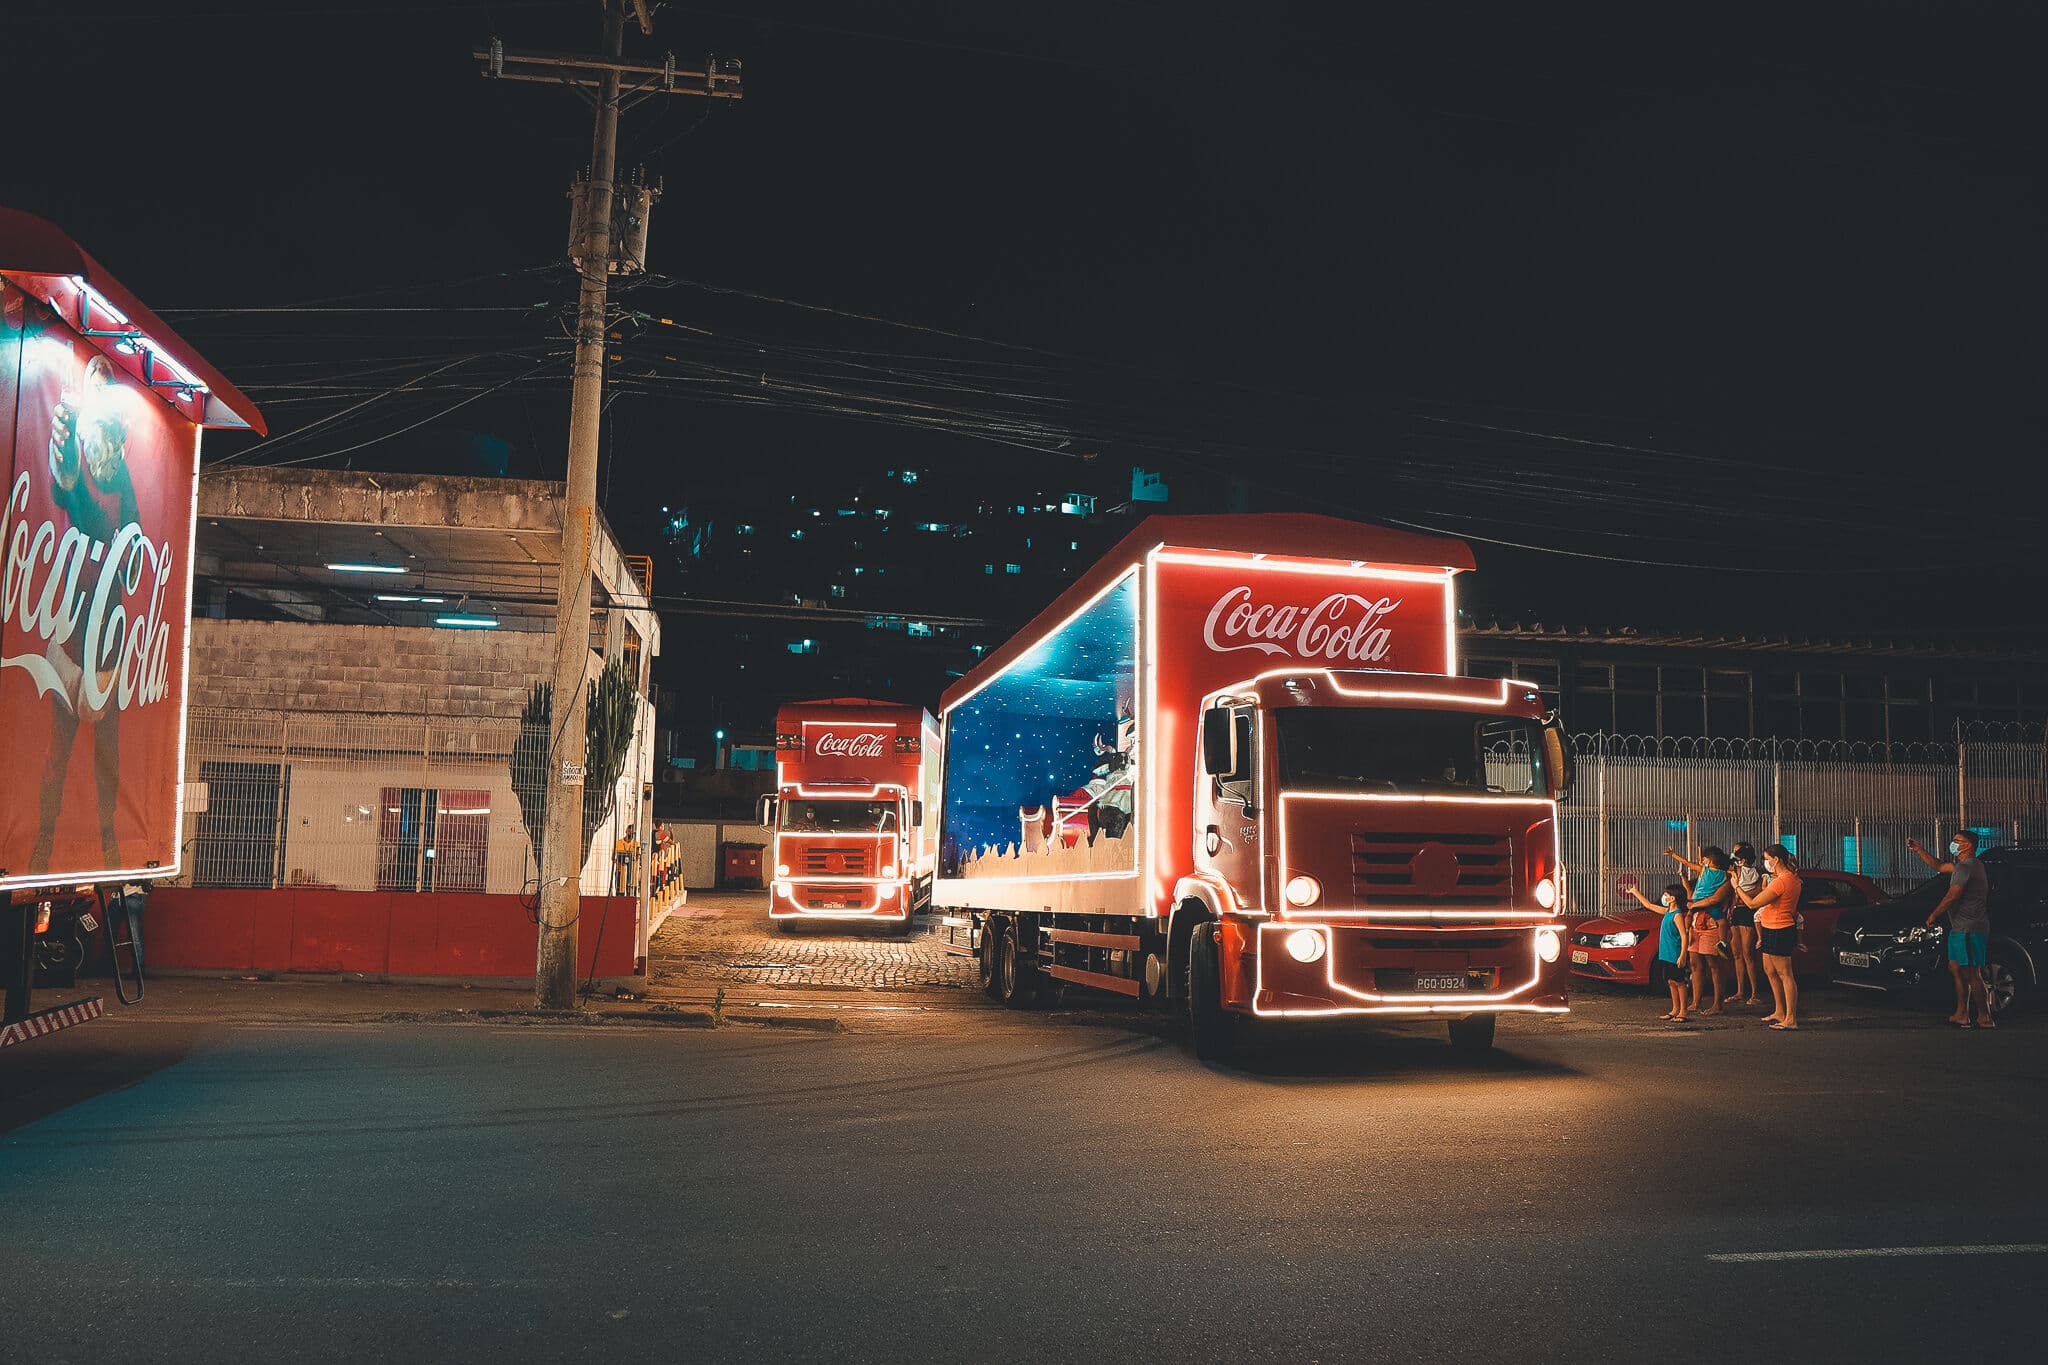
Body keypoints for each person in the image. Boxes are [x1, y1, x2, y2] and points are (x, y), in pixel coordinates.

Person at [1906, 831, 1994, 1028]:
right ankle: (1962, 1013)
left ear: (1968, 845)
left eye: (1957, 841)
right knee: (1955, 968)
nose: (1953, 844)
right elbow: (1939, 866)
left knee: (1972, 972)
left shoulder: (1966, 867)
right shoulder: (1968, 866)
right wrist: (1919, 850)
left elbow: (1953, 895)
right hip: (1960, 928)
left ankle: (1985, 1016)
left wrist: (1934, 915)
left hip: (1969, 928)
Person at [1735, 844, 1804, 1030]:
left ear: (1776, 860)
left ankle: (1790, 1018)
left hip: (1780, 928)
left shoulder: (1783, 881)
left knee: (1785, 974)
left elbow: (1752, 903)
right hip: (1769, 927)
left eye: (1767, 859)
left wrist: (1737, 887)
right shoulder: (1788, 879)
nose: (1765, 862)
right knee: (1770, 971)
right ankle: (1779, 1011)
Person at [1665, 845, 1733, 1015]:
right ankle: (1696, 1002)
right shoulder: (1706, 875)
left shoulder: (1725, 878)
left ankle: (1717, 1004)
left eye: (1703, 859)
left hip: (1710, 925)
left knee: (1714, 965)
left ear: (1709, 860)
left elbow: (1715, 899)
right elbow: (1690, 870)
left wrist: (1694, 905)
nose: (1701, 862)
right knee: (1695, 964)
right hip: (1697, 922)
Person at [1626, 881, 1692, 1021]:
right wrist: (1635, 892)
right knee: (1671, 982)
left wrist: (1682, 955)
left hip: (1674, 953)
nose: (1664, 897)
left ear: (1673, 898)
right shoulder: (1667, 912)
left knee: (1679, 983)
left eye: (1666, 895)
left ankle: (1683, 1012)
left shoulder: (1677, 915)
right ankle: (1675, 1009)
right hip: (1666, 953)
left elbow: (1684, 935)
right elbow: (1649, 905)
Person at [1726, 842, 1765, 1005]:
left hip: (1748, 912)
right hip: (1736, 911)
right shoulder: (1735, 870)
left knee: (1748, 954)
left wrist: (1741, 895)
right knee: (1737, 954)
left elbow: (1759, 891)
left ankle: (1755, 993)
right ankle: (1740, 991)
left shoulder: (1758, 872)